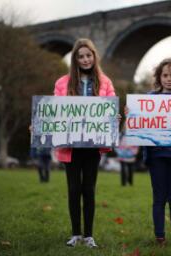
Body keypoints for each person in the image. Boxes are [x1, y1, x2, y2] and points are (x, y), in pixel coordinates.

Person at [53, 38, 117, 248]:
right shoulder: (62, 83)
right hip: (70, 145)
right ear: (75, 59)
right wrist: (41, 124)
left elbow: (111, 107)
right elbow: (54, 112)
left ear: (94, 56)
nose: (85, 59)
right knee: (73, 189)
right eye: (80, 56)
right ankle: (75, 234)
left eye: (88, 55)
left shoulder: (105, 82)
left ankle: (89, 235)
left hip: (92, 145)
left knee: (89, 189)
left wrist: (114, 117)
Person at [131, 58, 171, 247]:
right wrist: (132, 113)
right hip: (156, 156)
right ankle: (159, 237)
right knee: (159, 197)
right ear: (159, 77)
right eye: (165, 75)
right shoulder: (149, 99)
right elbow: (139, 123)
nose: (169, 79)